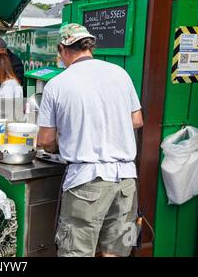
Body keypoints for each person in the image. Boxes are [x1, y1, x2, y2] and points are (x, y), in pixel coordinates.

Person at [36, 23, 144, 257]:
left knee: (76, 252)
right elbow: (137, 120)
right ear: (88, 46)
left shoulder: (57, 84)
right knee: (116, 252)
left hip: (87, 183)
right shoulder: (120, 74)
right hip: (126, 182)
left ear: (63, 48)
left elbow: (45, 140)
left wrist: (63, 141)